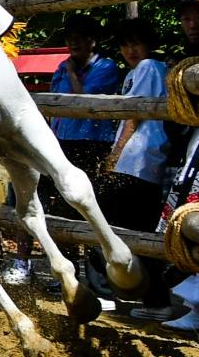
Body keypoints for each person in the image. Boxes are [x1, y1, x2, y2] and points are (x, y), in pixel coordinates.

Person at [44, 16, 122, 204]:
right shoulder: (63, 67)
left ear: (92, 41)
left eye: (79, 37)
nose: (73, 43)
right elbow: (52, 100)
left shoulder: (105, 67)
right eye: (69, 38)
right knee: (60, 192)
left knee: (85, 194)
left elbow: (84, 101)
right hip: (61, 139)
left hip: (90, 141)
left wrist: (72, 74)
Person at [102, 18, 170, 232]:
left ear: (149, 44)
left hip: (140, 155)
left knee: (129, 221)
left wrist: (115, 155)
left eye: (136, 44)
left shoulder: (148, 66)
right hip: (135, 159)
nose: (130, 50)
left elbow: (134, 114)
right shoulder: (134, 72)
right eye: (125, 45)